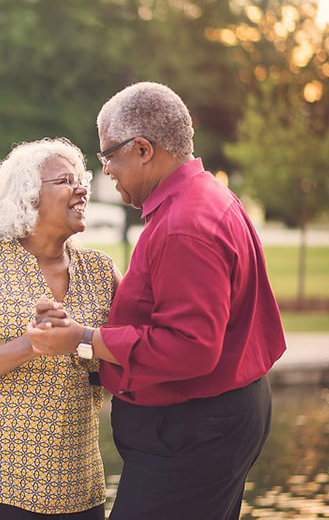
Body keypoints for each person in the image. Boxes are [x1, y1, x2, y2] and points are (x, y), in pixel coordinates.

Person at [26, 82, 286, 519]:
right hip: (217, 416)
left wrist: (82, 339)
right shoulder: (206, 197)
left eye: (109, 155)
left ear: (143, 149)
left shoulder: (184, 224)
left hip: (194, 428)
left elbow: (190, 347)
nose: (105, 169)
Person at [0, 137, 121, 520]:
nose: (82, 188)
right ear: (26, 197)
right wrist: (31, 345)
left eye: (81, 178)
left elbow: (124, 355)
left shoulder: (101, 271)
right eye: (65, 180)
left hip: (74, 475)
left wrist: (83, 343)